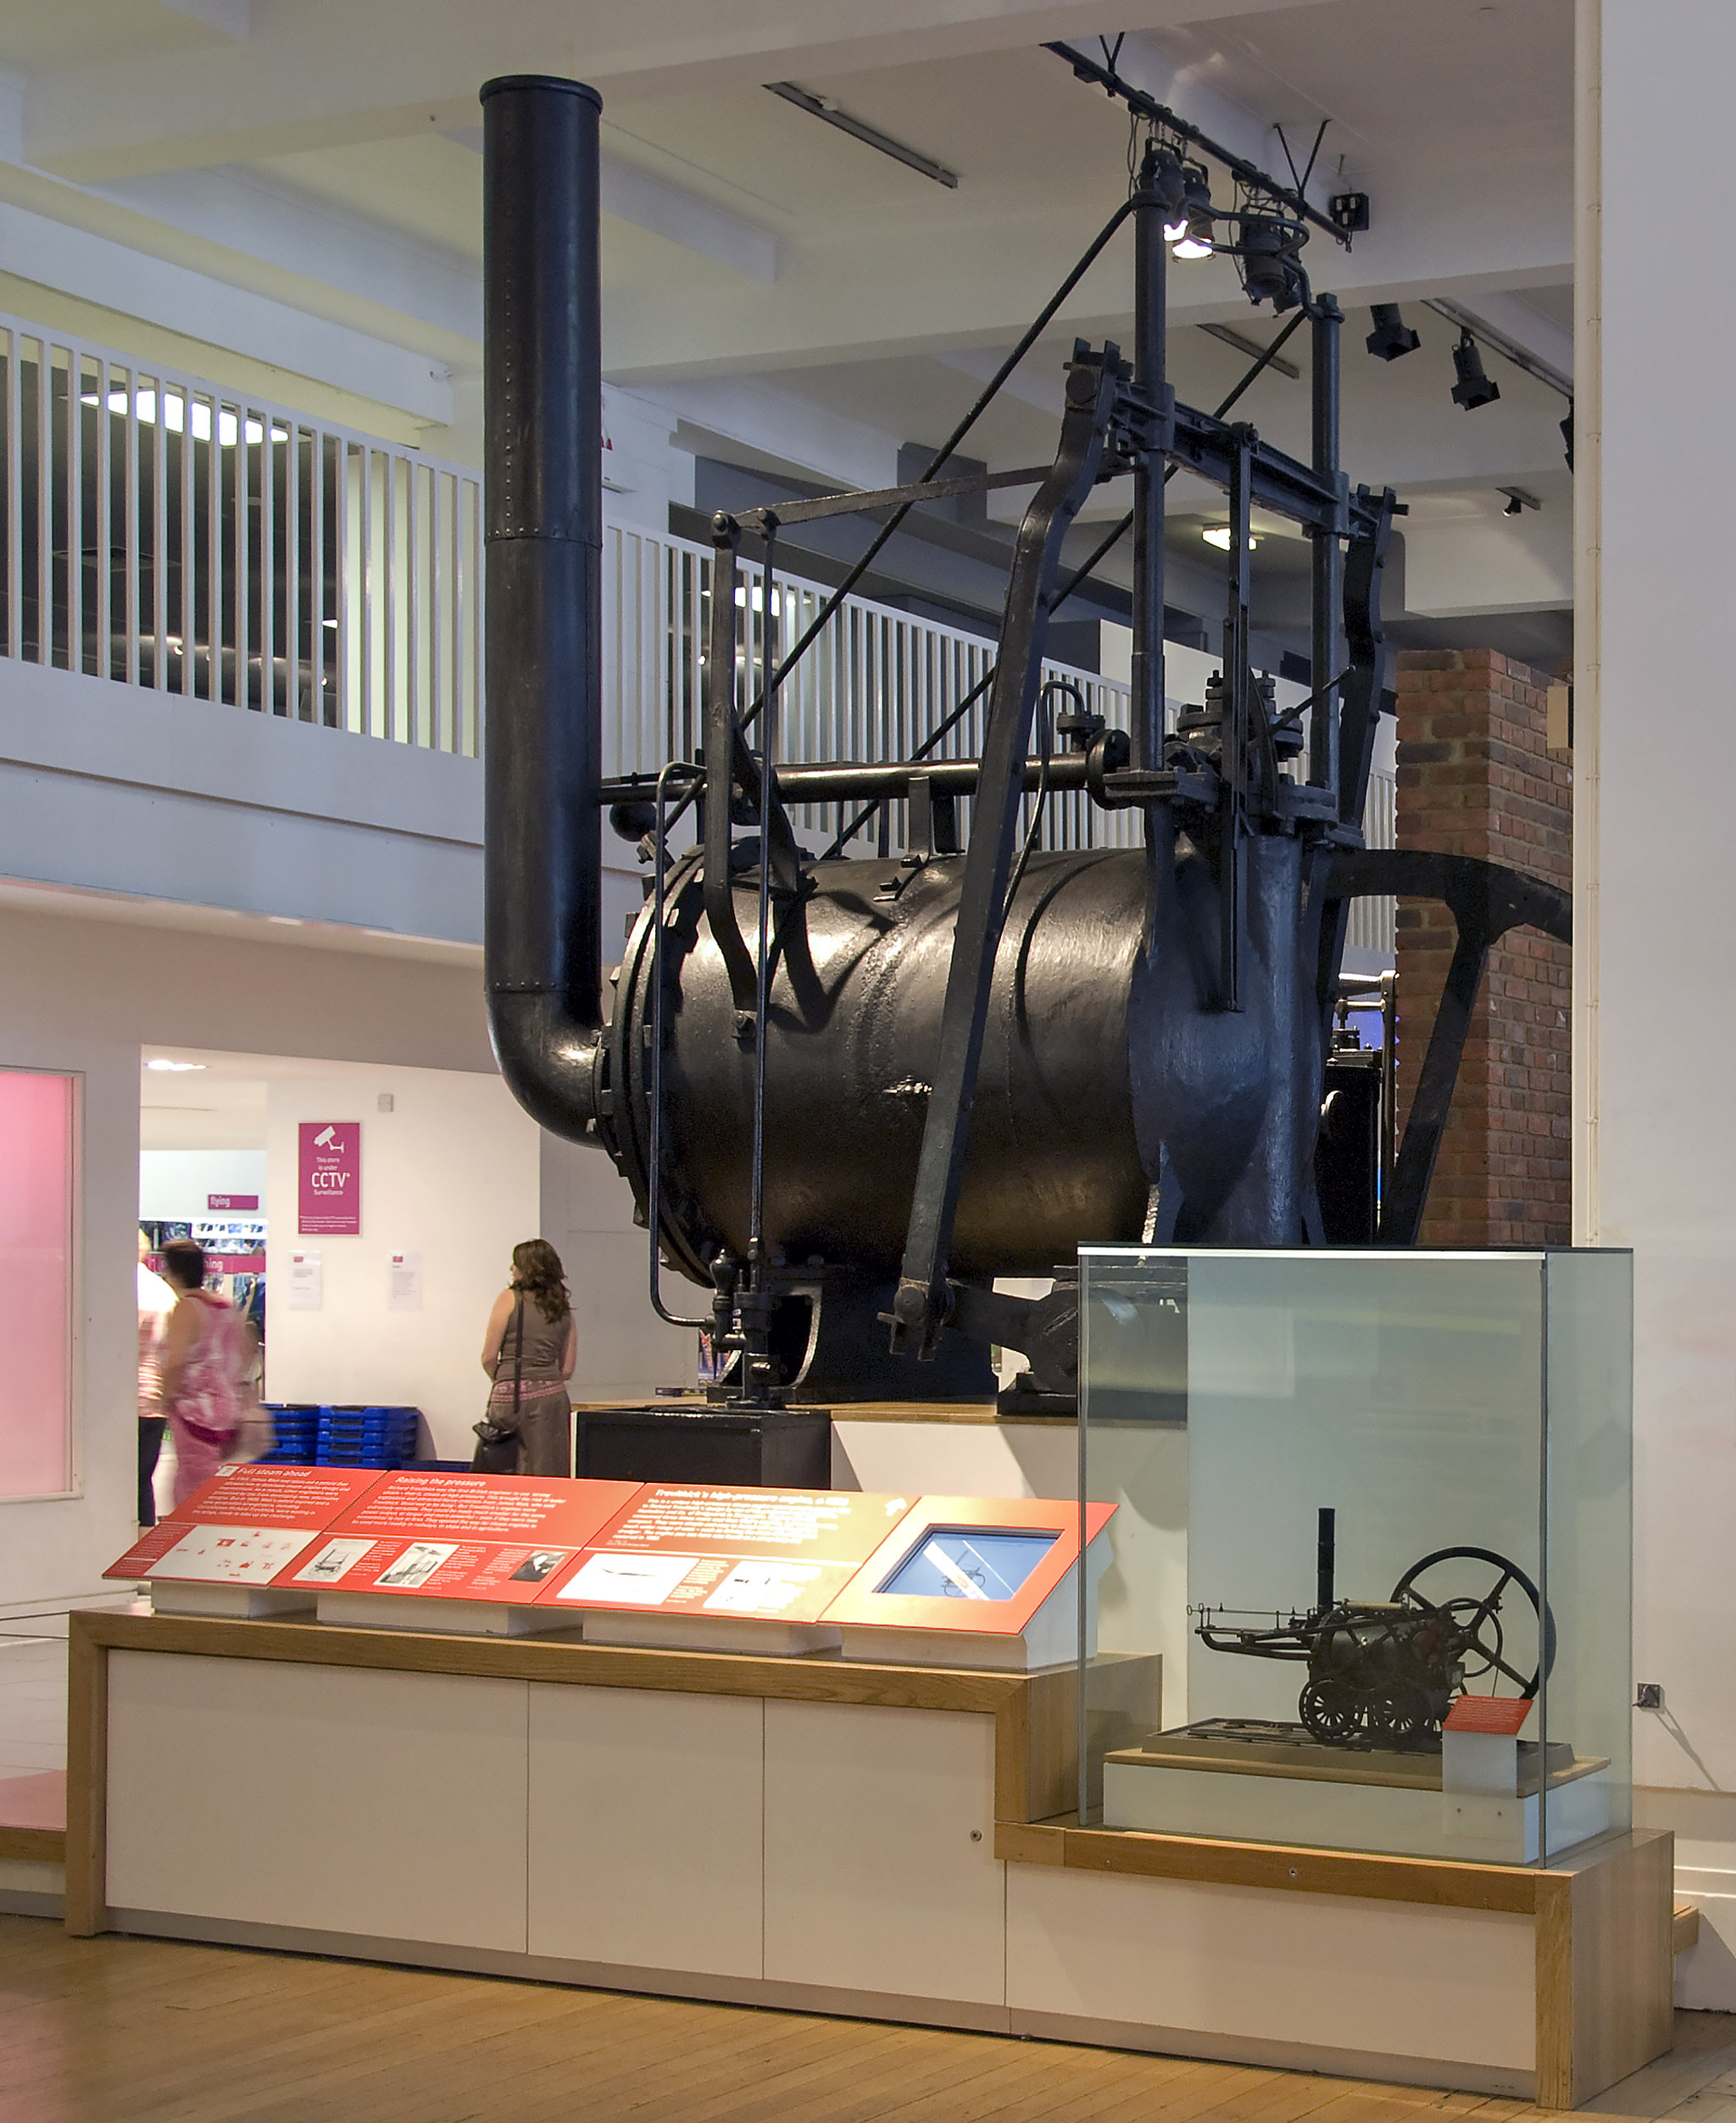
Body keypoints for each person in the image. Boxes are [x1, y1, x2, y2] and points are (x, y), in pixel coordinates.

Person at [157, 1238, 246, 1508]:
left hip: (194, 1413)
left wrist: (164, 1398)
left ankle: (194, 1546)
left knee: (192, 1492)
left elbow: (176, 1362)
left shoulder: (187, 1308)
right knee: (215, 1488)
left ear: (171, 1271)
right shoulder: (225, 1307)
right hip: (225, 1412)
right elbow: (243, 1351)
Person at [479, 1240, 577, 1477]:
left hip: (510, 1400)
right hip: (552, 1400)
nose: (511, 1269)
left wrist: (504, 1380)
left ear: (527, 1268)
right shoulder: (562, 1306)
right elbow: (567, 1368)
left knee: (506, 1473)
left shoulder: (509, 1298)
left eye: (516, 1264)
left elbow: (489, 1356)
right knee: (549, 1473)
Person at [136, 1230, 177, 1526]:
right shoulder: (163, 1291)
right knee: (142, 1479)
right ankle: (142, 1547)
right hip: (155, 1399)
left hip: (126, 1398)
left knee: (118, 1478)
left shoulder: (125, 1289)